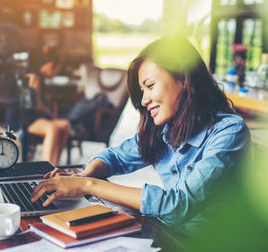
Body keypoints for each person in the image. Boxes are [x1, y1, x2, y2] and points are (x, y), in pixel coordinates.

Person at [30, 36, 250, 227]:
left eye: (150, 85)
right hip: (168, 235)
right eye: (142, 90)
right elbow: (116, 156)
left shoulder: (230, 132)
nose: (144, 100)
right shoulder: (164, 128)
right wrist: (83, 176)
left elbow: (178, 205)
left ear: (183, 78)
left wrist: (89, 185)